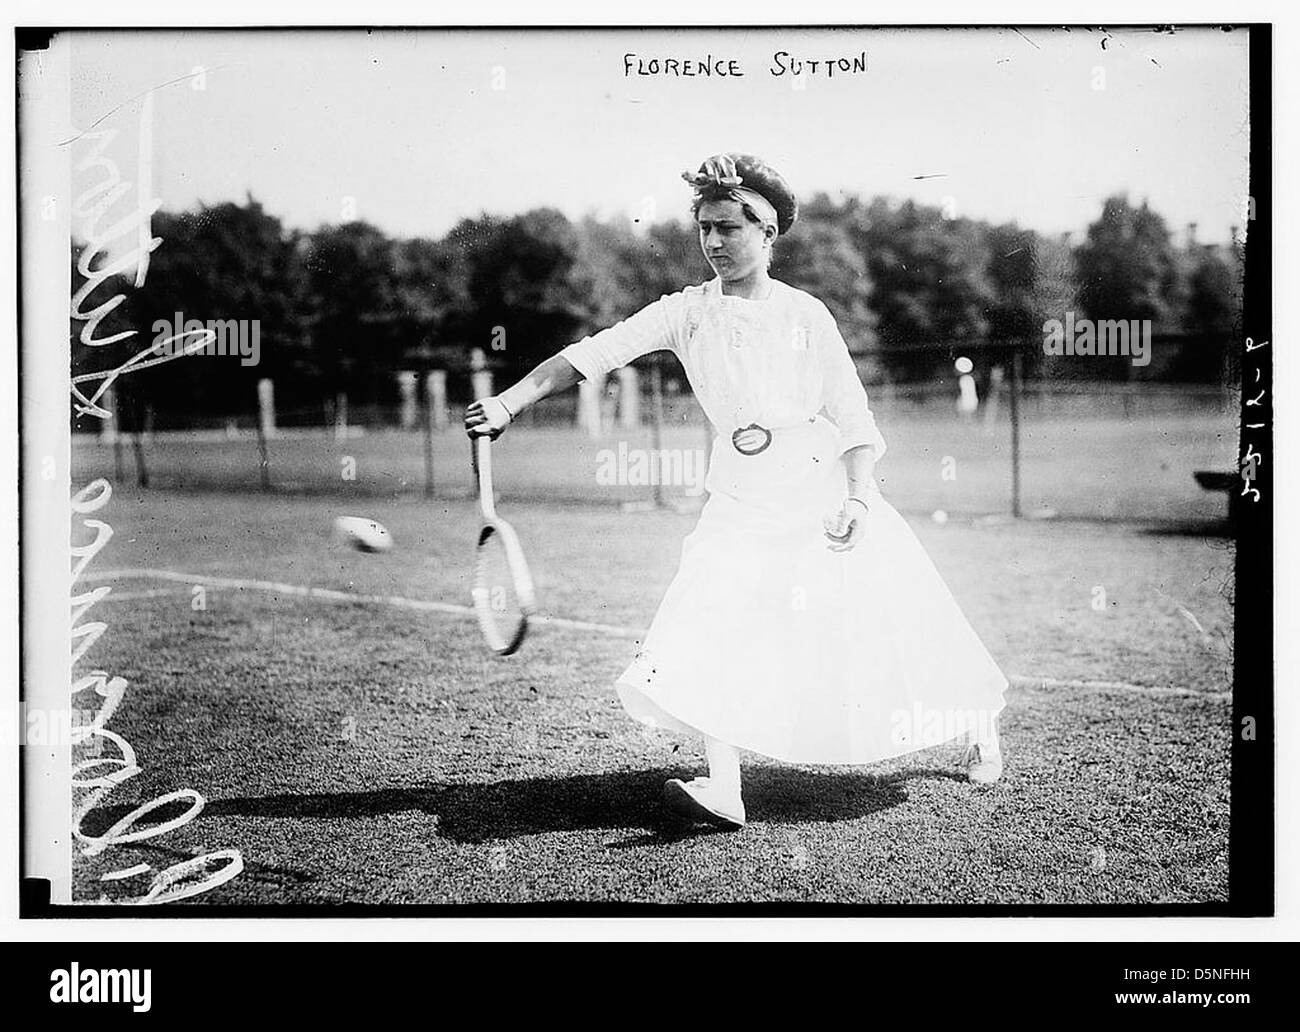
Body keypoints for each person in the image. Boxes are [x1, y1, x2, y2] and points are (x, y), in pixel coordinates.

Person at [466, 152, 1007, 828]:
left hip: (817, 490)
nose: (714, 243)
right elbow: (592, 354)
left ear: (767, 231)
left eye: (728, 228)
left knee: (894, 621)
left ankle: (980, 726)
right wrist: (510, 403)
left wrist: (859, 497)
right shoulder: (684, 312)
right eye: (704, 229)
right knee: (707, 620)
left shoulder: (807, 315)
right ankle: (725, 789)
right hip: (738, 497)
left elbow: (854, 418)